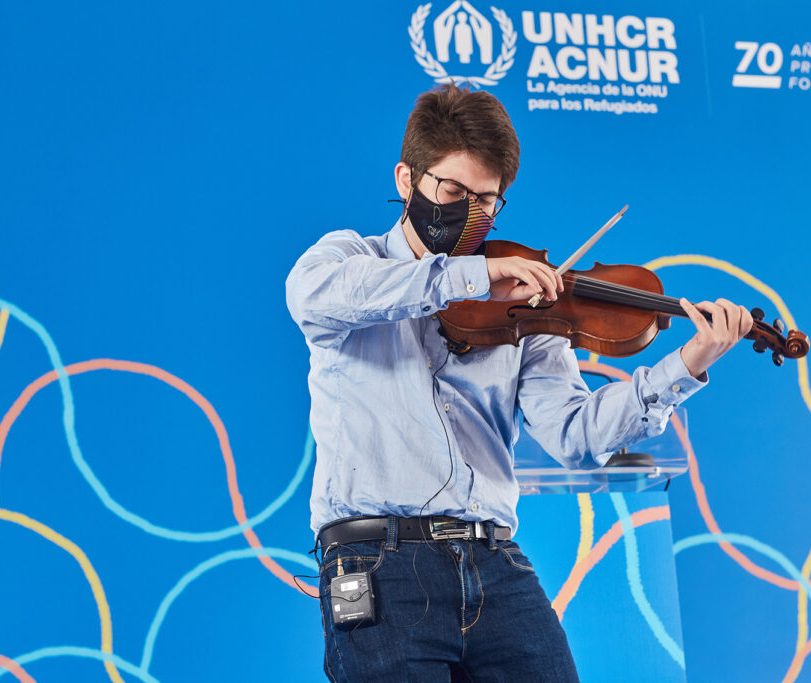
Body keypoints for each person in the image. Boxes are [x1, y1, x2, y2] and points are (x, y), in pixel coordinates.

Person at [285, 83, 753, 682]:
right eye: (454, 192)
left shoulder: (522, 301)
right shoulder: (351, 260)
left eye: (488, 201)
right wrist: (472, 275)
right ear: (407, 179)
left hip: (493, 559)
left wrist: (685, 365)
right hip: (379, 561)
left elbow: (576, 435)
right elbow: (314, 296)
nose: (472, 214)